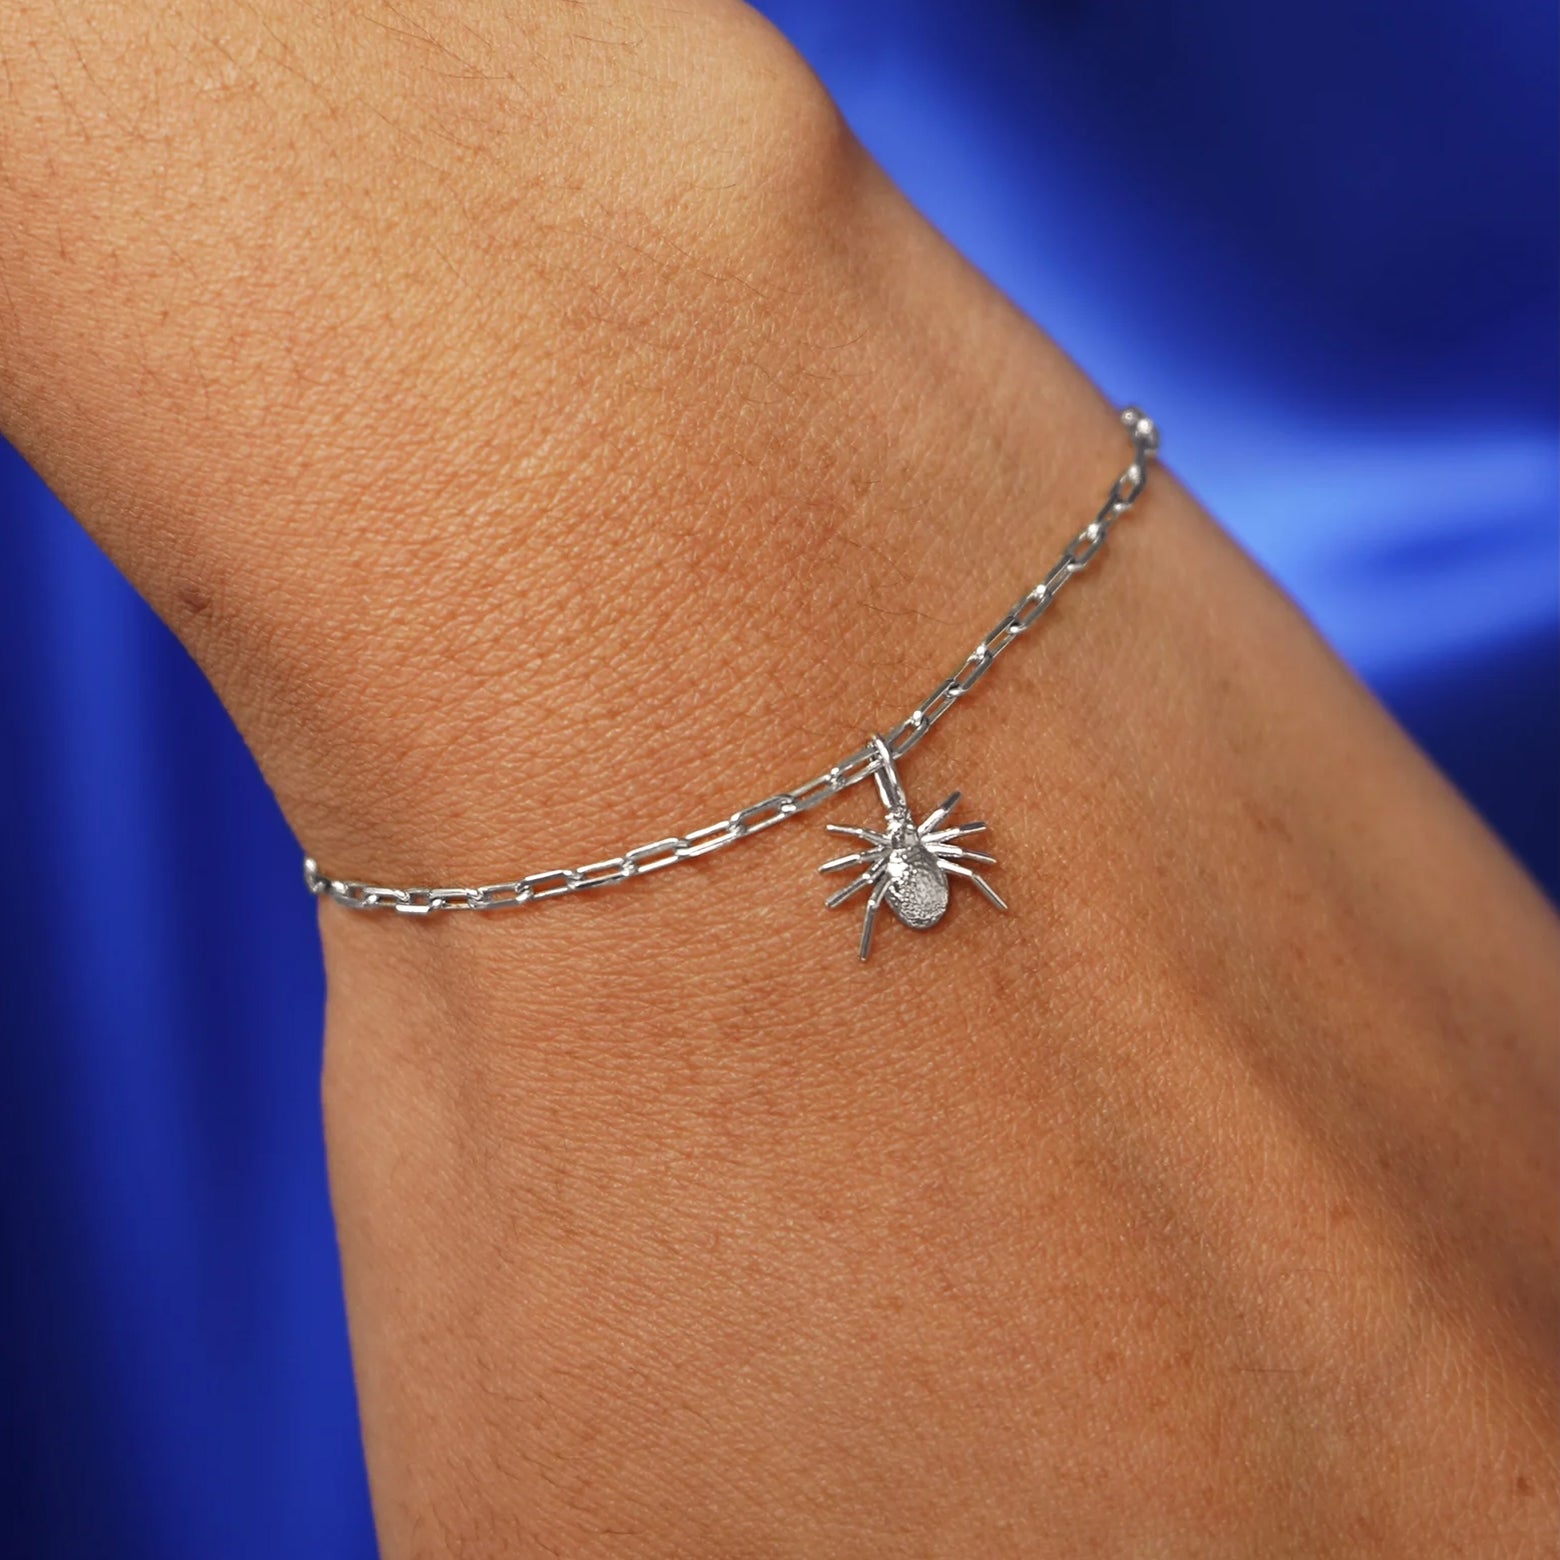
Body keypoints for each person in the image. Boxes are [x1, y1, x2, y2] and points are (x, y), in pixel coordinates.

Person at [1, 2, 1554, 1553]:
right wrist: (634, 434)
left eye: (915, 846)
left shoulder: (907, 845)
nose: (913, 853)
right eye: (906, 849)